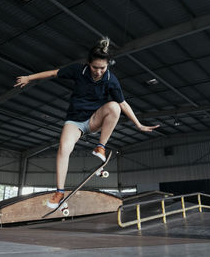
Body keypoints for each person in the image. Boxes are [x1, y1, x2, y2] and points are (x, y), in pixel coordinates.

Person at [14, 37, 159, 209]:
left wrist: (138, 124)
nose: (98, 72)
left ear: (107, 66)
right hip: (74, 121)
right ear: (88, 64)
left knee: (114, 107)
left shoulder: (111, 79)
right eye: (95, 67)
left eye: (102, 68)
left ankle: (101, 147)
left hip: (94, 120)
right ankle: (59, 193)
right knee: (63, 147)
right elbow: (54, 73)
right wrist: (29, 78)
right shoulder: (78, 70)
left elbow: (123, 102)